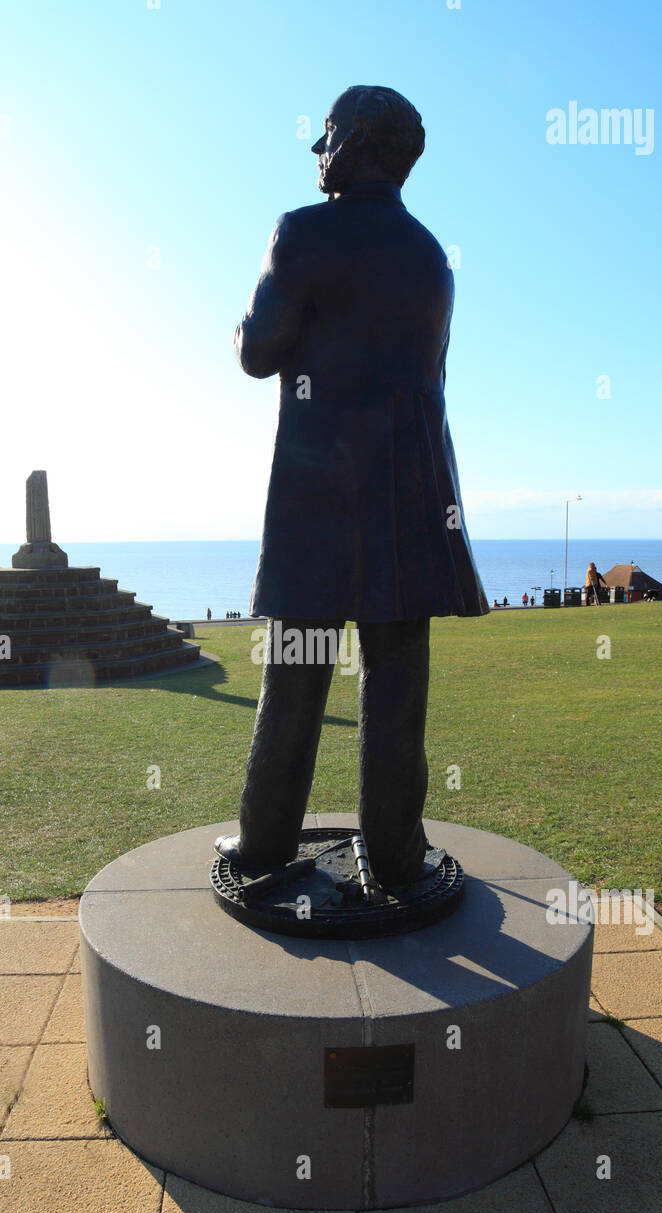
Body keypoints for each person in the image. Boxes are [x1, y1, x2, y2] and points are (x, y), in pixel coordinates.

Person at [214, 85, 488, 889]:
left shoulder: (302, 231)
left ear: (360, 141)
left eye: (327, 132)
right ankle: (395, 856)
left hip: (319, 497)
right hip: (411, 500)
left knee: (295, 673)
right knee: (398, 682)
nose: (317, 148)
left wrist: (239, 325)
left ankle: (263, 847)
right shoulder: (431, 254)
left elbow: (259, 351)